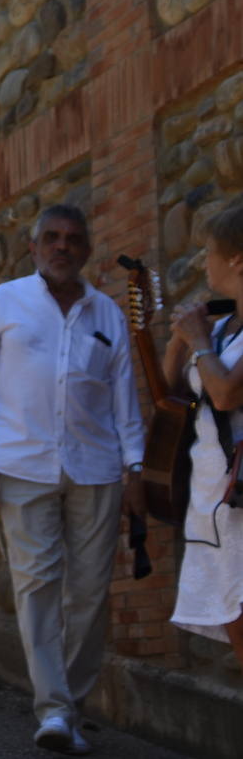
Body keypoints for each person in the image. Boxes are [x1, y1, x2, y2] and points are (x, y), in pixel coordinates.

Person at [0, 204, 145, 756]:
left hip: (97, 470)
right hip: (20, 467)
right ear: (35, 248)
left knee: (88, 594)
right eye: (52, 238)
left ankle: (72, 704)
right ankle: (56, 712)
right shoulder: (4, 303)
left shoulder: (106, 313)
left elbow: (124, 401)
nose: (62, 247)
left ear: (86, 250)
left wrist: (135, 468)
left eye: (73, 239)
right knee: (37, 586)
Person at [165, 203, 243, 668]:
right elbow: (173, 392)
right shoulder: (226, 328)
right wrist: (181, 340)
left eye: (209, 252)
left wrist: (198, 343)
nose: (203, 263)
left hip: (240, 496)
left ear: (236, 259)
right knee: (234, 616)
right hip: (216, 499)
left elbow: (228, 393)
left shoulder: (213, 337)